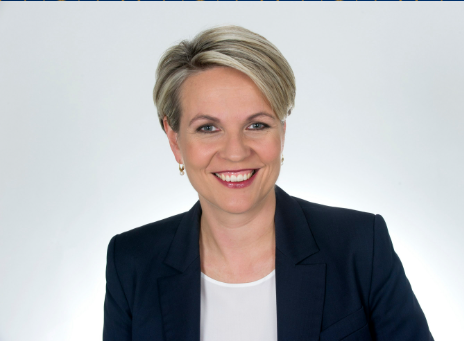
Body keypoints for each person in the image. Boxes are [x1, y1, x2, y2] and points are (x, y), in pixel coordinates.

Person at [103, 25, 433, 341]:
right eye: (208, 128)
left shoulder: (360, 245)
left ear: (282, 132)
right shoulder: (132, 261)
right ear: (175, 140)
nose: (235, 152)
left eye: (257, 125)